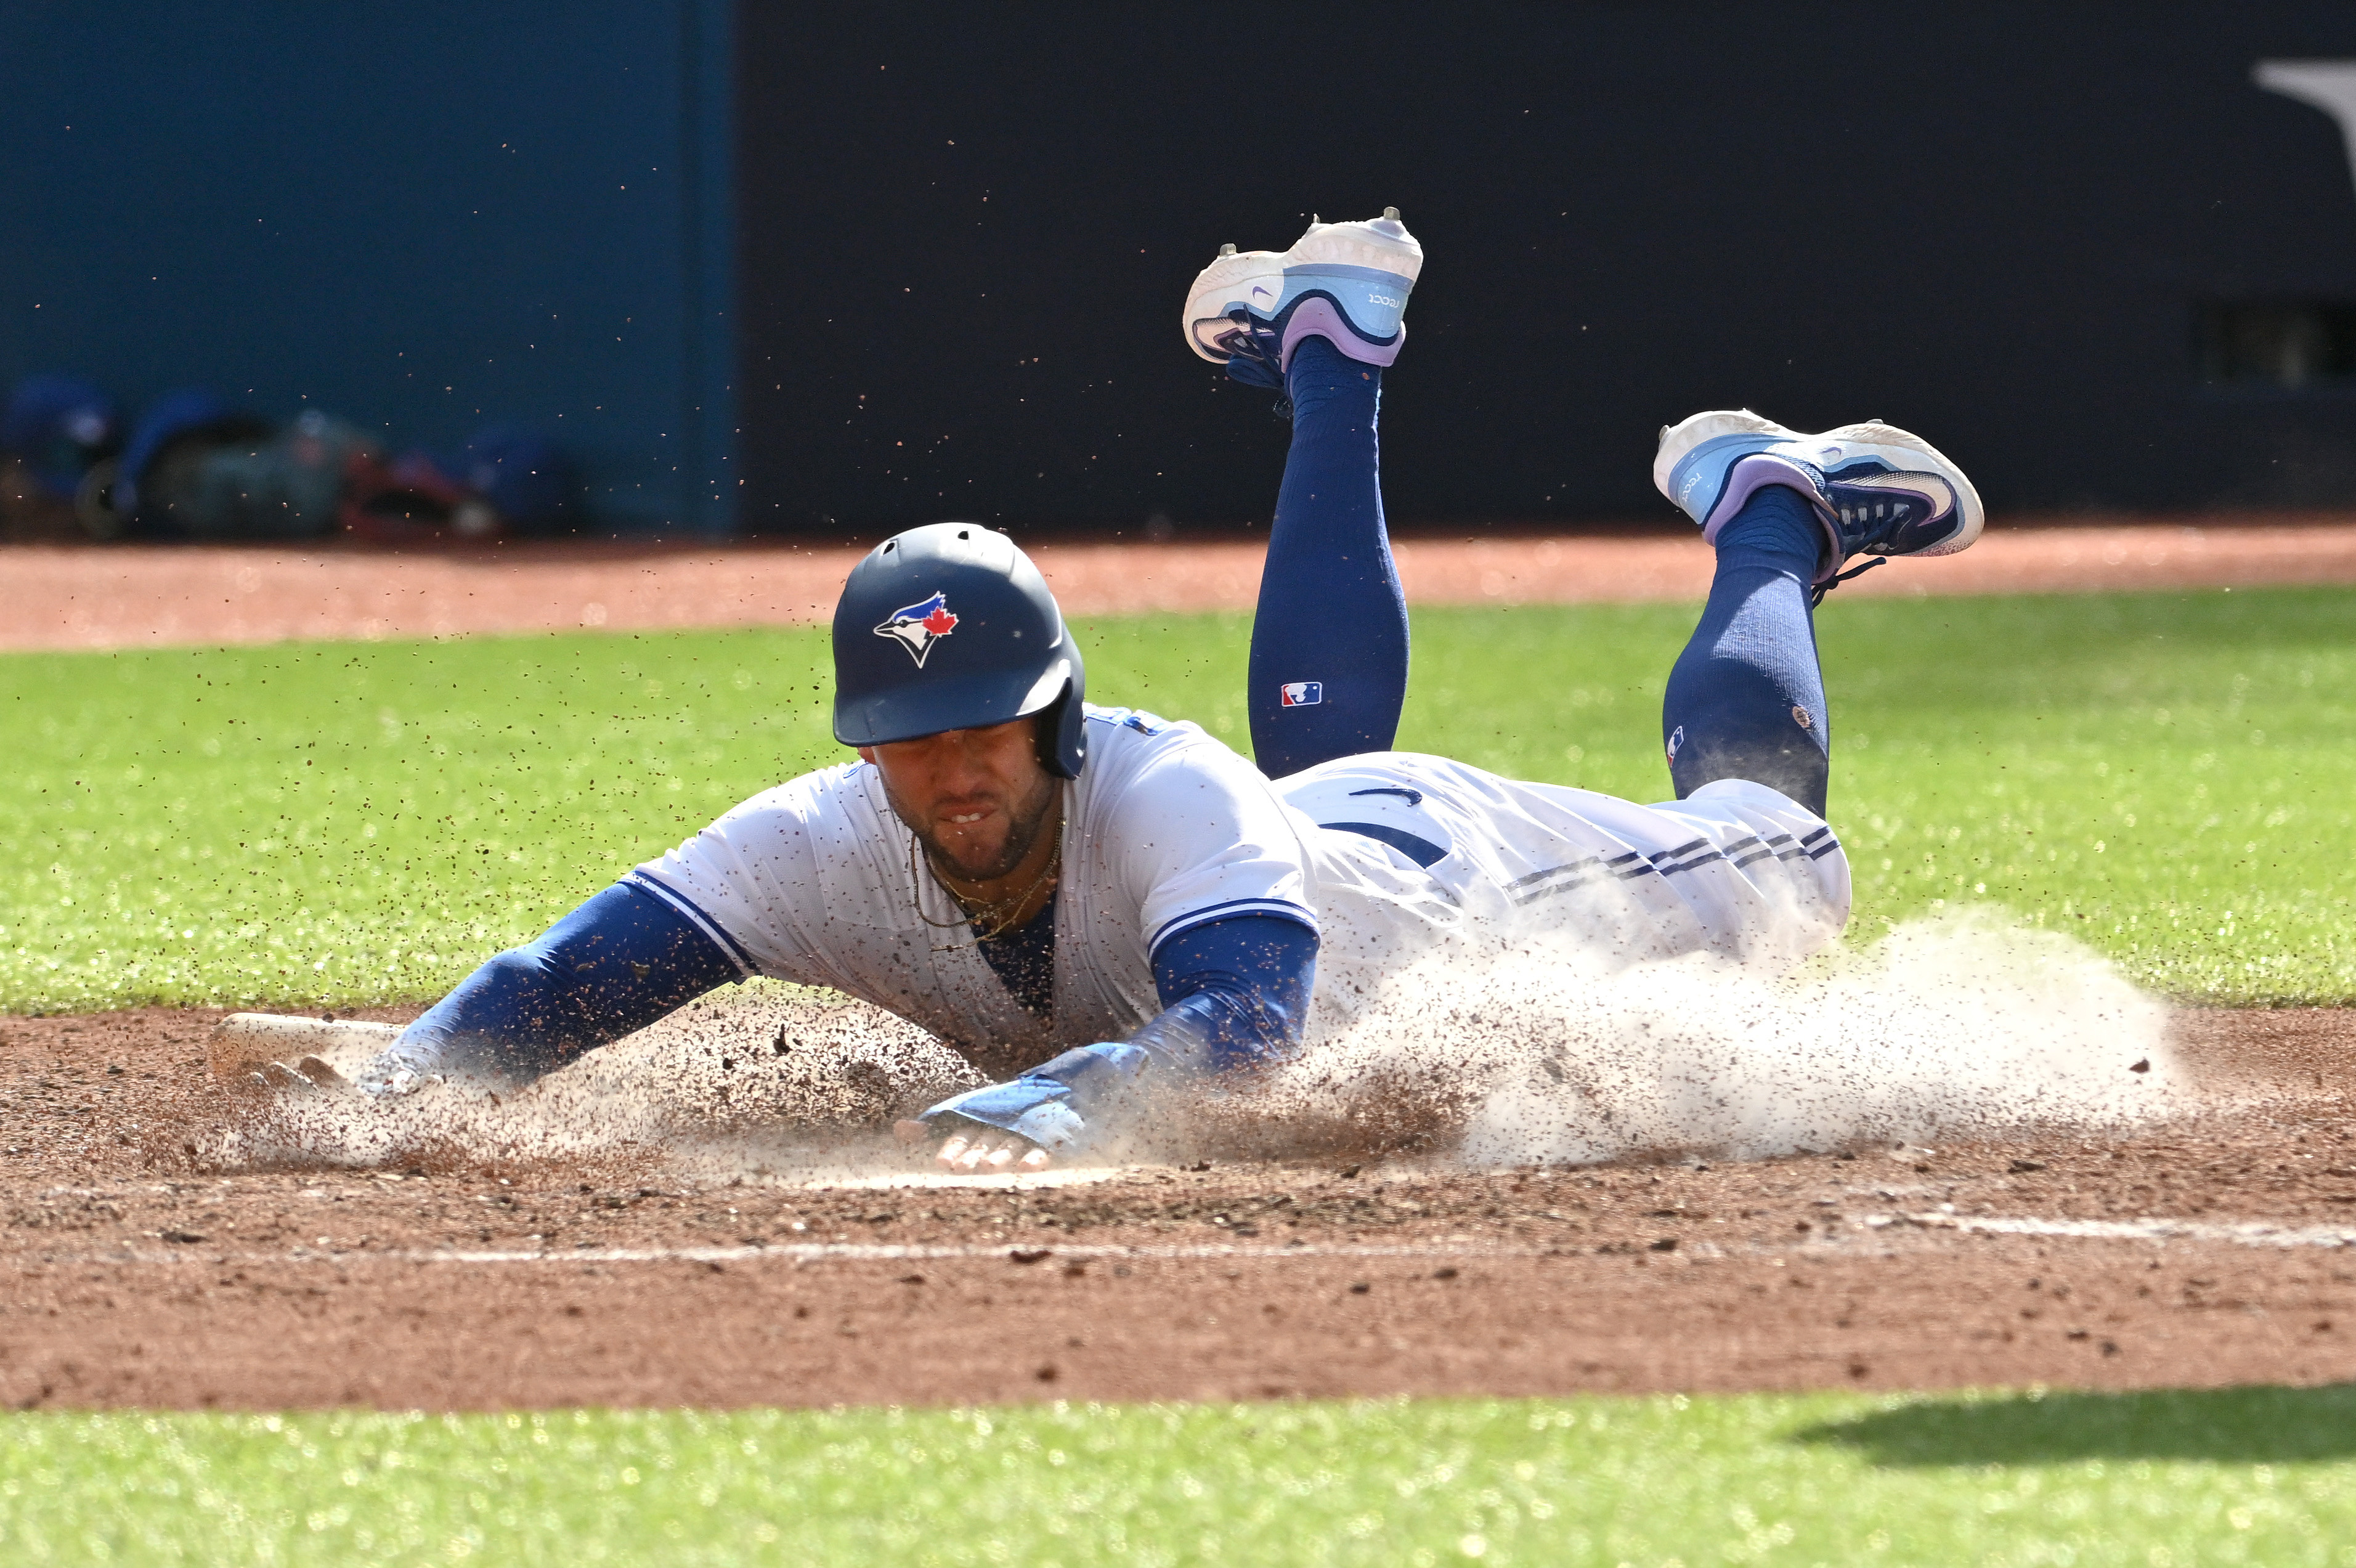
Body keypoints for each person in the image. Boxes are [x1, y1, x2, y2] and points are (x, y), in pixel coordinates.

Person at [337, 209, 1983, 1171]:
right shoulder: (830, 835)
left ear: (1059, 720)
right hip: (1305, 834)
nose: (952, 774)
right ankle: (1332, 356)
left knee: (1784, 850)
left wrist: (1042, 1107)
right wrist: (392, 1092)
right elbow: (570, 978)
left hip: (1462, 878)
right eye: (911, 745)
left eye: (985, 729)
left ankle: (1770, 514)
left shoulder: (1163, 789)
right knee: (1299, 772)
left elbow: (1247, 1029)